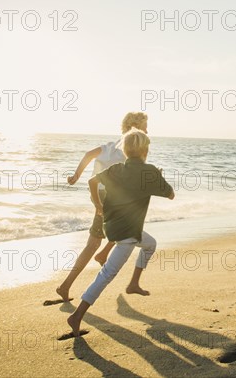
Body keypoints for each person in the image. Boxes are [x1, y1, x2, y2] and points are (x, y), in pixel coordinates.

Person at [67, 128, 175, 336]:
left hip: (113, 226)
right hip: (128, 233)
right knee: (107, 274)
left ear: (125, 151)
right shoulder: (149, 171)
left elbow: (92, 181)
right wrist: (158, 178)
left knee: (150, 245)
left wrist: (98, 206)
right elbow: (170, 195)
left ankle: (134, 283)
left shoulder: (117, 168)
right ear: (146, 151)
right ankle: (76, 316)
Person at [56, 112, 152, 302]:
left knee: (105, 236)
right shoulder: (127, 149)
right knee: (100, 241)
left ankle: (98, 257)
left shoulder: (112, 146)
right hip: (109, 197)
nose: (147, 130)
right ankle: (69, 282)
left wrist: (76, 176)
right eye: (145, 126)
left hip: (101, 195)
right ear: (135, 128)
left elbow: (89, 155)